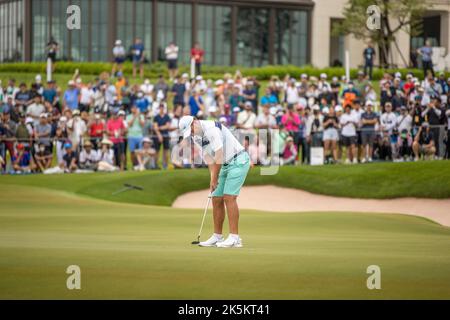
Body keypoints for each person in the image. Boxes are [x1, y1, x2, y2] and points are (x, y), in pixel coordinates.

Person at [178, 115, 251, 248]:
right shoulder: (196, 137)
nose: (192, 133)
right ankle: (217, 236)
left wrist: (215, 177)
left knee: (229, 197)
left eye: (191, 129)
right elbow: (209, 159)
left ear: (195, 121)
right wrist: (212, 178)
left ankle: (235, 238)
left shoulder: (212, 129)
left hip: (238, 160)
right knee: (216, 198)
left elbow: (219, 155)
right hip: (223, 164)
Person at [153, 103, 171, 169]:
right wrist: (159, 135)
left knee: (166, 150)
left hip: (165, 135)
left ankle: (165, 165)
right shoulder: (156, 117)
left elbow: (167, 126)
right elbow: (155, 127)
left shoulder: (167, 116)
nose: (161, 109)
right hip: (158, 136)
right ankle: (155, 165)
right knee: (157, 150)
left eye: (162, 107)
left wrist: (160, 128)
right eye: (160, 107)